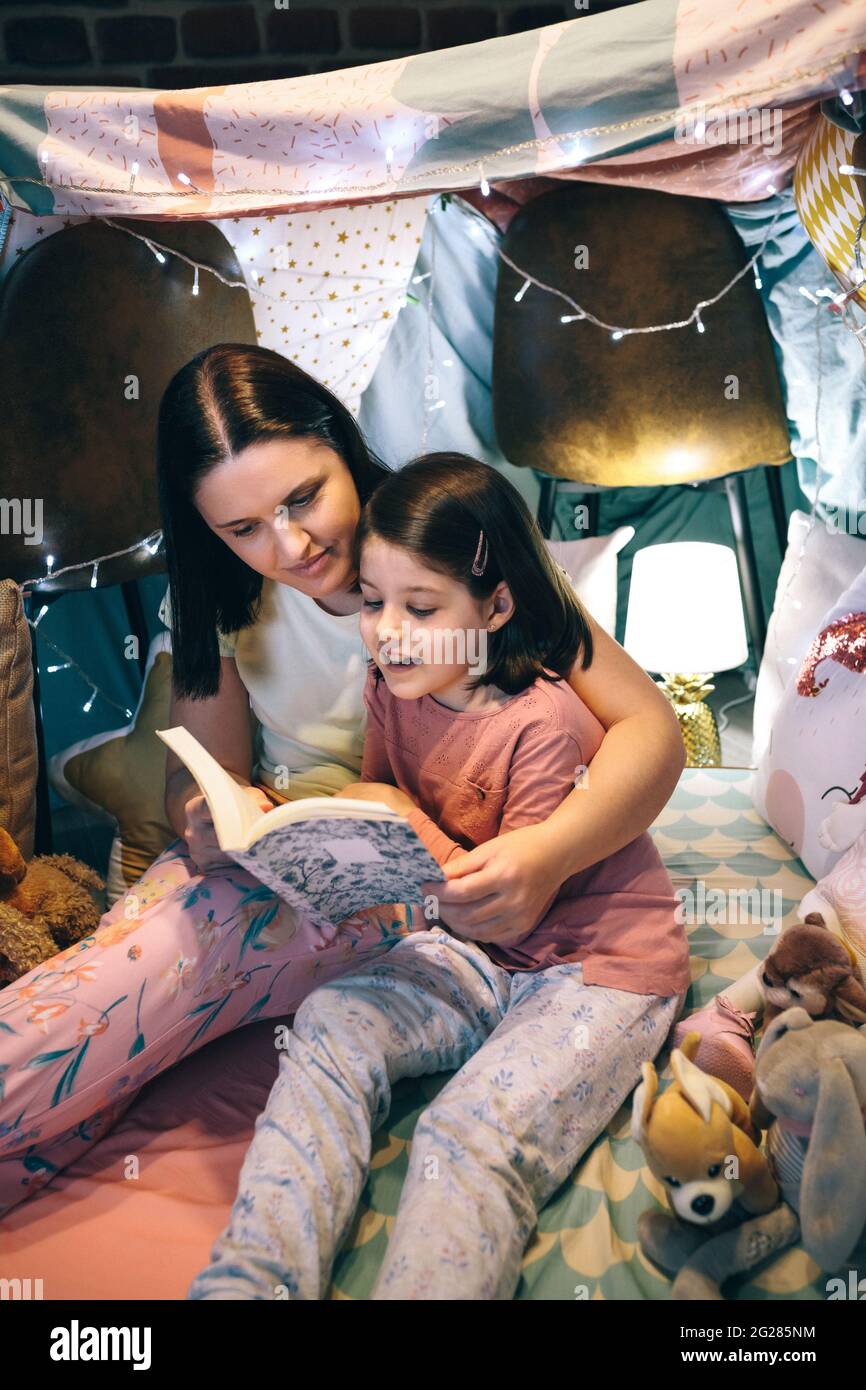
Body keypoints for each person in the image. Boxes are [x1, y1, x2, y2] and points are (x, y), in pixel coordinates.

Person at [0, 345, 686, 1220]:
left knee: (148, 979)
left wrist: (548, 855)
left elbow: (651, 729)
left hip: (431, 895)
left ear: (340, 442)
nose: (290, 546)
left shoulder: (445, 541)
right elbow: (200, 783)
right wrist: (204, 818)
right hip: (280, 864)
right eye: (242, 530)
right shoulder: (223, 600)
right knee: (117, 978)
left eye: (303, 498)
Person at [188, 453, 690, 1300]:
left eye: (420, 608)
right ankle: (250, 1284)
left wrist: (387, 809)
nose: (387, 630)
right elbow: (395, 822)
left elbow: (508, 905)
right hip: (474, 950)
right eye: (375, 603)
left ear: (496, 606)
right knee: (330, 1023)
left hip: (593, 966)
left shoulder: (542, 724)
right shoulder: (393, 685)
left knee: (468, 1130)